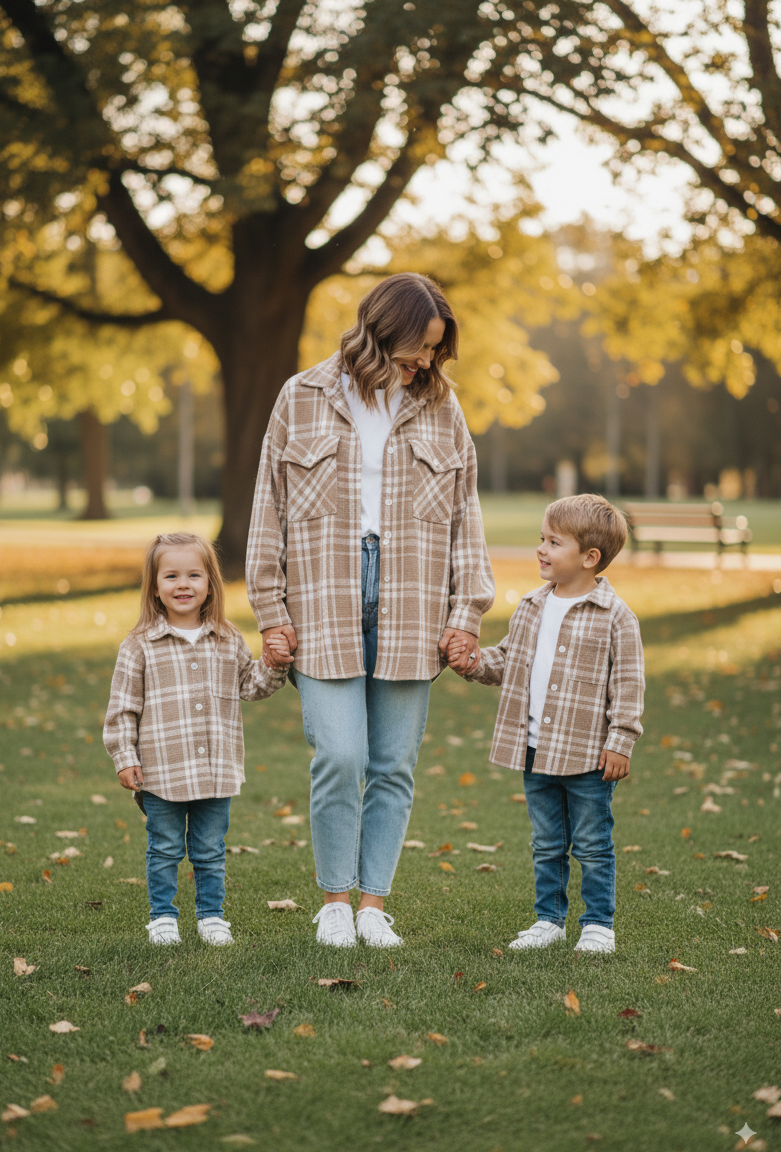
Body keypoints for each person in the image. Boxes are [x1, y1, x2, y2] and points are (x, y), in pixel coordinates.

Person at [247, 273, 495, 948]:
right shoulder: (300, 397)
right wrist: (269, 607)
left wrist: (466, 611)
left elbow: (465, 517)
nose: (428, 361)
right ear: (383, 328)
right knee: (339, 752)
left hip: (414, 598)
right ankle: (333, 902)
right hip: (323, 595)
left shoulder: (443, 407)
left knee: (392, 763)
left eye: (437, 350)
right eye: (422, 345)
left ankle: (372, 906)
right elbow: (268, 506)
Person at [448, 494, 644, 953]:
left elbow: (629, 685)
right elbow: (507, 661)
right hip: (535, 751)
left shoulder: (616, 617)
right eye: (542, 539)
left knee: (593, 843)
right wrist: (474, 661)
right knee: (546, 843)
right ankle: (549, 920)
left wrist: (621, 741)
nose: (541, 549)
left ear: (589, 557)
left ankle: (597, 925)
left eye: (554, 542)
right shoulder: (532, 606)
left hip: (587, 755)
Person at [103, 532, 291, 945]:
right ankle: (163, 918)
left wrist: (274, 664)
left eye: (193, 575)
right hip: (161, 770)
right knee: (165, 848)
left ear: (210, 583)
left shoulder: (228, 640)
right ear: (154, 586)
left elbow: (251, 685)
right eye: (171, 576)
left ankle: (211, 917)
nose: (182, 584)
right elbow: (122, 710)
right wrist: (124, 756)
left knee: (209, 849)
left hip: (215, 769)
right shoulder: (139, 646)